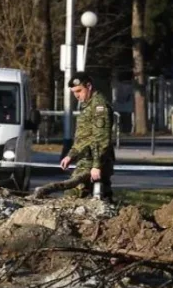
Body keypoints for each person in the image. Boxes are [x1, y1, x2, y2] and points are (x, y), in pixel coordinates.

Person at [32, 72, 115, 200]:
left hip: (92, 160)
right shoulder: (88, 105)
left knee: (72, 195)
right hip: (87, 158)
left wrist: (96, 166)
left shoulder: (99, 106)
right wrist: (71, 155)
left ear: (89, 86)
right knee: (97, 196)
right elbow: (84, 136)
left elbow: (101, 138)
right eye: (74, 92)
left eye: (79, 90)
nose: (76, 95)